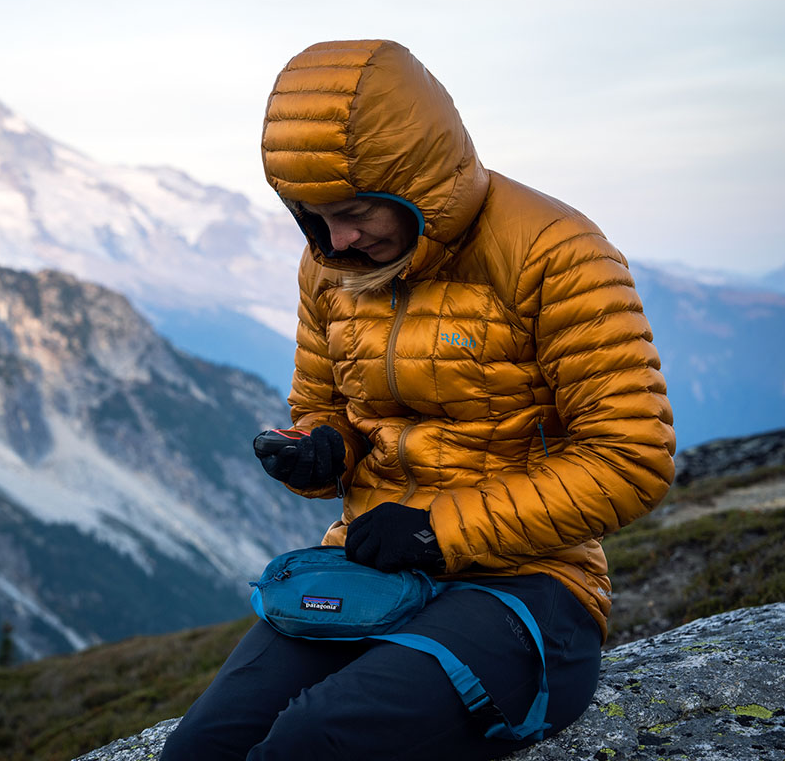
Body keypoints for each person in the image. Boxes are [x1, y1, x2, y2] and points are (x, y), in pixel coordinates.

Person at [160, 39, 675, 761]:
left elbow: (633, 456)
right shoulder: (330, 264)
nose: (335, 239)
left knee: (312, 745)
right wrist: (322, 450)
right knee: (200, 751)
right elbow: (323, 406)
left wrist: (440, 531)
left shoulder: (556, 252)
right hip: (374, 570)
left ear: (421, 182)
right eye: (311, 214)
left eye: (356, 212)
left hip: (530, 587)